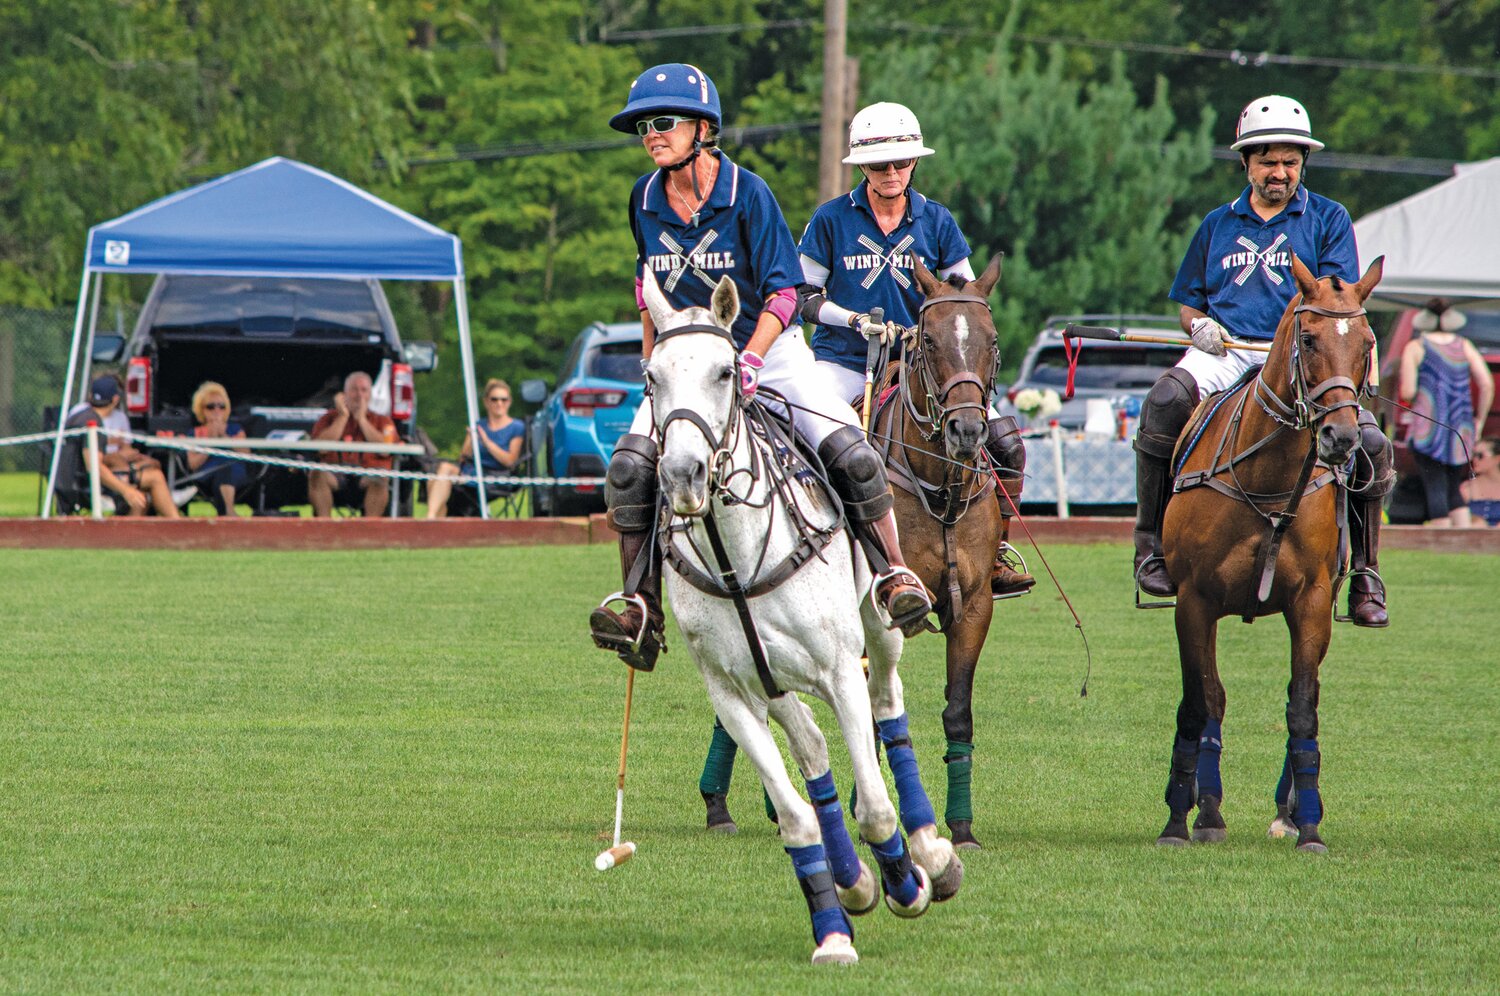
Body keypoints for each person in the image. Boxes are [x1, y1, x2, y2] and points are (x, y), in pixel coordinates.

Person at [587, 64, 933, 832]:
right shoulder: (644, 202)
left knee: (850, 449)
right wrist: (657, 373)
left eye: (664, 123)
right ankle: (641, 604)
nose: (651, 135)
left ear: (702, 129)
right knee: (630, 468)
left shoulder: (750, 194)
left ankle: (892, 574)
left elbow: (782, 291)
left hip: (766, 352)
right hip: (686, 365)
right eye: (644, 126)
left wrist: (750, 358)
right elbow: (648, 291)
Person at [1133, 94, 1394, 626]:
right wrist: (1199, 327)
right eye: (1268, 161)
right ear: (1247, 163)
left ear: (1303, 164)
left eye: (1290, 162)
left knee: (1370, 443)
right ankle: (1151, 546)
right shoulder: (1217, 223)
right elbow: (1189, 300)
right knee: (1162, 402)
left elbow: (1340, 296)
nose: (1279, 172)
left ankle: (1365, 574)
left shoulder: (1326, 217)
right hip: (1227, 351)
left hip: (1308, 359)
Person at [797, 100, 1034, 599]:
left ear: (914, 163)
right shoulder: (831, 220)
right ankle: (814, 543)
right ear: (862, 166)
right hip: (844, 361)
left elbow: (966, 295)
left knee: (1004, 440)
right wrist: (855, 320)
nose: (891, 172)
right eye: (880, 164)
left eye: (900, 162)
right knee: (806, 430)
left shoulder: (937, 221)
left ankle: (995, 555)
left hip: (925, 366)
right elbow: (804, 297)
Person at [1398, 300, 1494, 528]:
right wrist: (1478, 420)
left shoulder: (1416, 346)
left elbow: (1408, 391)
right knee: (1453, 486)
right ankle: (1462, 538)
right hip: (1460, 428)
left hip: (1427, 429)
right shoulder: (1464, 345)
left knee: (1434, 486)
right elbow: (1487, 384)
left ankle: (1442, 540)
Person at [63, 376, 182, 517]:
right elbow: (94, 467)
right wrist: (126, 490)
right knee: (155, 477)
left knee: (141, 492)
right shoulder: (94, 424)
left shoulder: (78, 416)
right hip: (86, 484)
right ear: (115, 399)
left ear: (90, 396)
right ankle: (178, 523)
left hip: (70, 481)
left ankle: (127, 535)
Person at [426, 378, 525, 518]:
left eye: (504, 399)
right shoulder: (479, 424)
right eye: (494, 399)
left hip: (497, 476)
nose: (499, 403)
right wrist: (471, 439)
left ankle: (433, 521)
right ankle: (433, 518)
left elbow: (509, 461)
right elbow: (462, 458)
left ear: (509, 402)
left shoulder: (517, 427)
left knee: (440, 479)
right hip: (470, 472)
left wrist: (486, 442)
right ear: (486, 402)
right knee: (440, 472)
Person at [307, 370, 398, 517]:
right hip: (334, 474)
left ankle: (370, 530)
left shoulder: (383, 421)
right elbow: (321, 448)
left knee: (379, 479)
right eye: (354, 390)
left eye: (364, 390)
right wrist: (343, 417)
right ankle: (323, 529)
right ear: (344, 394)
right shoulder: (328, 419)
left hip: (368, 474)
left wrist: (362, 420)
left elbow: (385, 450)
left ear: (370, 394)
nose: (359, 395)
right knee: (317, 475)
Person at [185, 381, 251, 516]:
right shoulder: (196, 433)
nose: (216, 410)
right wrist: (210, 443)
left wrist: (225, 437)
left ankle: (227, 512)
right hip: (207, 474)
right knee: (222, 471)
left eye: (221, 406)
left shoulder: (235, 429)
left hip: (235, 472)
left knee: (226, 469)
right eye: (211, 406)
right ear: (202, 409)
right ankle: (229, 512)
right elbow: (192, 464)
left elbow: (247, 454)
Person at [1462, 438, 1500, 527]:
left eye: (1480, 455)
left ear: (1497, 458)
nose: (1474, 460)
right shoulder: (1467, 487)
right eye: (1473, 455)